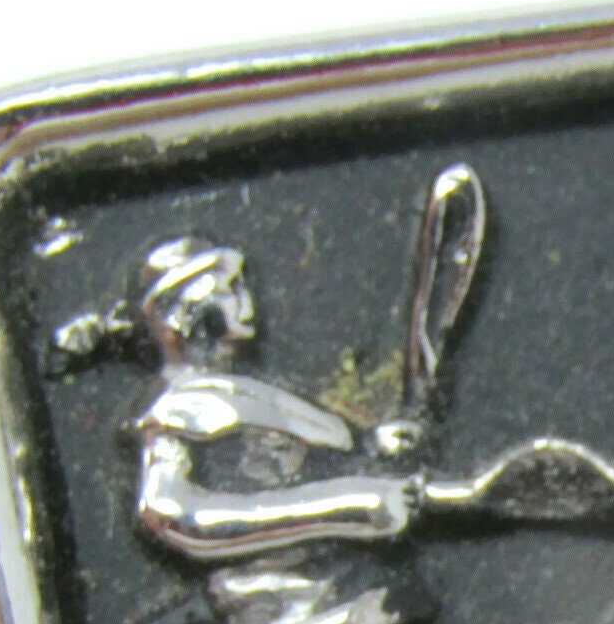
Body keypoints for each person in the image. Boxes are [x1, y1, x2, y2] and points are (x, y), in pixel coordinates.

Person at [127, 237, 423, 560]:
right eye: (229, 291)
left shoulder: (250, 391)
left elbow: (308, 455)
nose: (248, 305)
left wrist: (371, 443)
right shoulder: (175, 412)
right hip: (265, 582)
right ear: (185, 315)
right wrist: (347, 509)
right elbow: (170, 514)